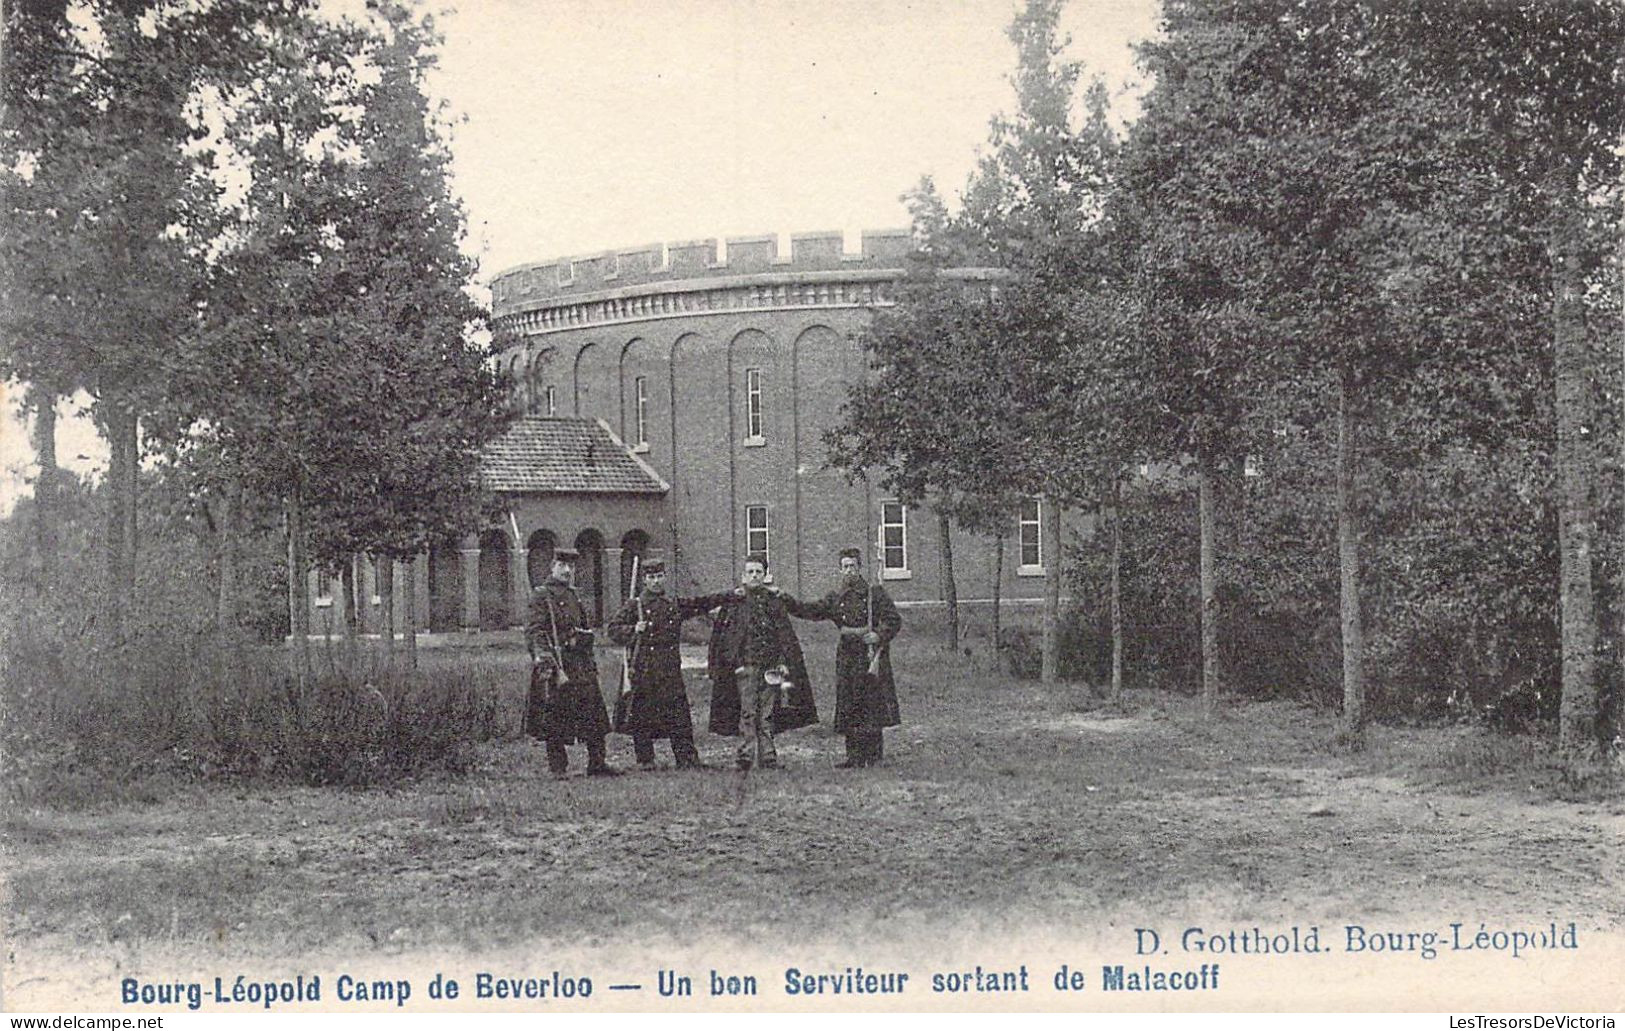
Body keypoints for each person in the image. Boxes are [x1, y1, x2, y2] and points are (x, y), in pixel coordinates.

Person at [605, 559, 730, 771]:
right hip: (645, 667)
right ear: (644, 580)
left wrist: (729, 596)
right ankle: (645, 760)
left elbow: (701, 603)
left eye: (659, 576)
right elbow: (613, 630)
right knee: (642, 715)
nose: (656, 581)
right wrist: (634, 629)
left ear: (664, 577)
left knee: (679, 714)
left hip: (670, 667)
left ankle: (687, 758)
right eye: (651, 578)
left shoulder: (673, 604)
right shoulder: (635, 605)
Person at [786, 547, 902, 767]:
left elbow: (893, 619)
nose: (849, 571)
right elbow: (812, 611)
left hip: (869, 656)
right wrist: (787, 601)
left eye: (853, 566)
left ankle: (874, 756)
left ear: (860, 568)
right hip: (848, 655)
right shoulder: (836, 598)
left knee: (871, 703)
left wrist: (878, 634)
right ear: (840, 569)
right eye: (845, 567)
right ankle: (854, 755)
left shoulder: (874, 594)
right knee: (850, 702)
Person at [705, 553, 817, 771]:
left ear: (765, 575)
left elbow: (784, 635)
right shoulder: (734, 603)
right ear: (743, 576)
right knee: (747, 713)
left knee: (767, 714)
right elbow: (724, 638)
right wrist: (734, 664)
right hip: (745, 668)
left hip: (770, 668)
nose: (754, 576)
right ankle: (745, 756)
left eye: (758, 572)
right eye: (750, 572)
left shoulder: (773, 603)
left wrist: (784, 663)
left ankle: (768, 756)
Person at [525, 547, 617, 778]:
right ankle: (558, 767)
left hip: (581, 664)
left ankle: (597, 763)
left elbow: (585, 628)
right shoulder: (542, 596)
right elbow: (534, 631)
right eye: (562, 565)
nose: (567, 570)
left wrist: (583, 638)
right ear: (552, 567)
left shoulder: (574, 595)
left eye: (571, 566)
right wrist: (543, 656)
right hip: (558, 664)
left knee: (594, 716)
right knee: (555, 717)